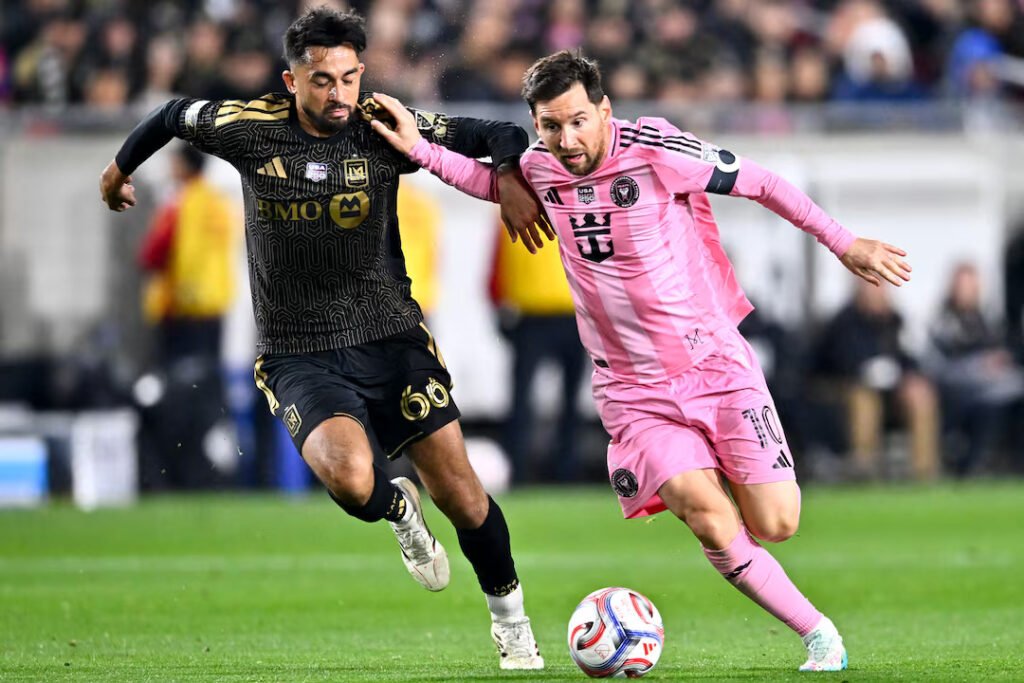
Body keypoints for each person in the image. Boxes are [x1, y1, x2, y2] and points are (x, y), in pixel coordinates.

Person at [370, 50, 916, 673]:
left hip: (716, 367)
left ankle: (731, 498)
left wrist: (845, 242)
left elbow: (762, 182)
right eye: (550, 126)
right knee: (707, 516)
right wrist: (419, 147)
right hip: (634, 392)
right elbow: (482, 179)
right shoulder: (537, 169)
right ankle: (818, 632)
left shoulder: (657, 148)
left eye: (577, 121)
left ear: (604, 110)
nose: (565, 139)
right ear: (535, 124)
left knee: (778, 520)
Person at [98, 8, 551, 670]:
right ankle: (398, 509)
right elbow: (171, 114)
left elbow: (502, 130)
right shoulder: (250, 131)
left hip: (390, 337)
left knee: (463, 493)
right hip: (297, 348)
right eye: (321, 80)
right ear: (292, 80)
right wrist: (117, 169)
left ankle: (511, 622)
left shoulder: (382, 125)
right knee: (347, 478)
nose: (338, 94)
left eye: (348, 77)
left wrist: (509, 177)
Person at [488, 216, 587, 483]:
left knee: (525, 399)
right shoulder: (575, 206)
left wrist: (498, 306)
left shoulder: (510, 207)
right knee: (563, 401)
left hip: (542, 315)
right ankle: (561, 472)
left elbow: (497, 268)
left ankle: (522, 472)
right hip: (560, 314)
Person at [815, 279, 940, 481]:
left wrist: (908, 377)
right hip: (849, 391)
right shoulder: (843, 322)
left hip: (892, 391)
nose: (878, 293)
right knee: (864, 399)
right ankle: (864, 469)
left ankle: (924, 472)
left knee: (920, 394)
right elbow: (837, 364)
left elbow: (909, 358)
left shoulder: (896, 321)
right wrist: (867, 372)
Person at [926, 262, 1023, 476]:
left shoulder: (987, 321)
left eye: (972, 286)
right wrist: (980, 366)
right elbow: (940, 369)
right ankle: (974, 465)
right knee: (990, 407)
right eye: (963, 286)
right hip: (957, 395)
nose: (968, 291)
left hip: (993, 389)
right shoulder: (943, 324)